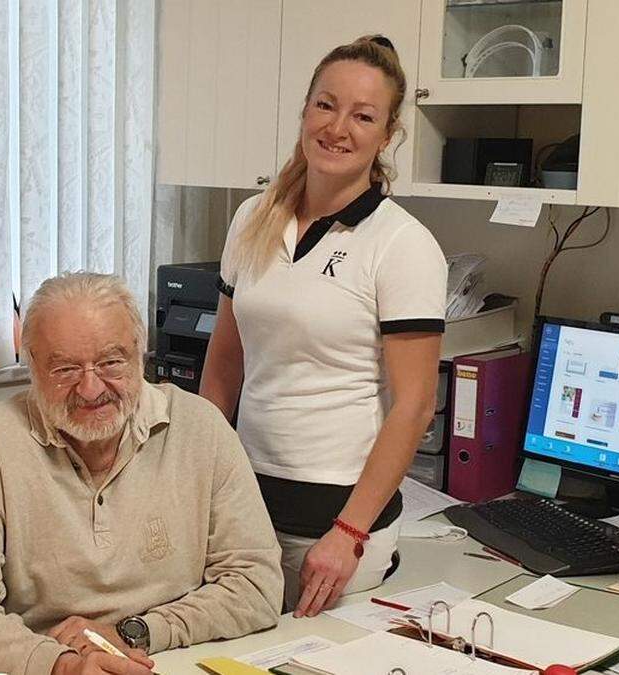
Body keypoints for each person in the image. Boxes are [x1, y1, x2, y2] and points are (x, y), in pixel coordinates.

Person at [0, 272, 282, 675]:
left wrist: (135, 632)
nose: (91, 389)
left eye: (110, 362)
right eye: (66, 369)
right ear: (33, 365)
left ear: (140, 355)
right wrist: (63, 665)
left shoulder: (202, 428)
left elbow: (256, 585)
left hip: (174, 658)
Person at [199, 36, 446, 619]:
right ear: (305, 110)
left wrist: (349, 534)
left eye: (363, 116)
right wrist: (203, 484)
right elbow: (224, 363)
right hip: (244, 507)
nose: (339, 127)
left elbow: (414, 406)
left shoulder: (402, 244)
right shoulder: (253, 217)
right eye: (326, 105)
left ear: (387, 136)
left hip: (335, 523)